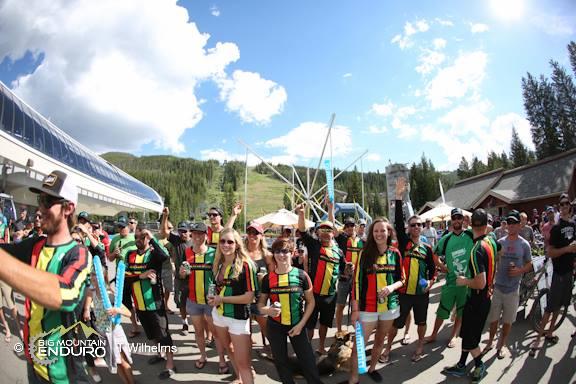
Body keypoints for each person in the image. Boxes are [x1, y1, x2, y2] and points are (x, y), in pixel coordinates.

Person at [0, 170, 93, 383]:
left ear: (68, 208)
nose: (40, 209)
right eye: (39, 200)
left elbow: (65, 295)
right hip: (34, 363)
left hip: (64, 374)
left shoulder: (78, 254)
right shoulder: (35, 245)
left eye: (48, 201)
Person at [382, 177, 436, 364]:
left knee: (421, 322)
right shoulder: (404, 242)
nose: (415, 227)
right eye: (412, 225)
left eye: (418, 225)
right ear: (409, 228)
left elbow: (433, 268)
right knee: (396, 323)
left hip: (421, 293)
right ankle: (388, 348)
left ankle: (419, 345)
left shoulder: (427, 248)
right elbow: (397, 220)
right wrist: (398, 196)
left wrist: (430, 282)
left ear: (422, 227)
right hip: (403, 293)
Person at [443, 208, 497, 383]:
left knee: (470, 338)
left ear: (470, 224)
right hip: (485, 296)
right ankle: (461, 364)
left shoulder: (476, 251)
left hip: (477, 297)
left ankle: (480, 365)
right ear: (487, 224)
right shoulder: (491, 241)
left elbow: (479, 282)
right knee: (468, 332)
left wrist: (464, 281)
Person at [348, 218, 405, 383]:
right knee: (359, 346)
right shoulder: (364, 254)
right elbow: (357, 282)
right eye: (376, 231)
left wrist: (391, 287)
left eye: (383, 231)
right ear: (372, 233)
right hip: (367, 308)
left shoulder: (395, 253)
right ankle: (353, 379)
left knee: (380, 340)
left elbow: (402, 278)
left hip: (390, 306)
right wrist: (355, 309)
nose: (379, 234)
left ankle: (372, 368)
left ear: (388, 233)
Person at [258, 238, 322, 384]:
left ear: (292, 253)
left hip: (297, 324)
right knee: (281, 362)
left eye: (285, 251)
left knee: (308, 361)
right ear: (273, 254)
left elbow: (311, 302)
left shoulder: (302, 275)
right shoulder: (268, 278)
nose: (281, 255)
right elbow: (260, 304)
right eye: (277, 251)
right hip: (275, 326)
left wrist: (301, 325)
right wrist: (268, 310)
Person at [124, 228, 176, 379]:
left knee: (163, 334)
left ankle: (170, 364)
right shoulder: (130, 255)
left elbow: (165, 256)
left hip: (155, 302)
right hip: (139, 303)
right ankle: (159, 354)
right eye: (136, 237)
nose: (138, 239)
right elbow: (127, 277)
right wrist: (141, 275)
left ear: (147, 238)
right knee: (150, 333)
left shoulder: (153, 255)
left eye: (142, 237)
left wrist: (152, 238)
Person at [208, 228, 257, 384]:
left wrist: (221, 299)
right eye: (222, 241)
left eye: (230, 241)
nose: (226, 244)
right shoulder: (218, 263)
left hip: (238, 318)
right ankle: (239, 379)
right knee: (229, 349)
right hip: (219, 315)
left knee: (244, 364)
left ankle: (244, 378)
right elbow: (216, 287)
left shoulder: (246, 265)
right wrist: (213, 298)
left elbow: (249, 297)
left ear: (237, 244)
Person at [178, 222, 227, 373]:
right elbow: (182, 275)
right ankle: (203, 356)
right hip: (193, 300)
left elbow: (221, 275)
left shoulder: (214, 253)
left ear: (206, 235)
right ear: (191, 235)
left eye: (201, 234)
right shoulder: (186, 252)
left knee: (216, 333)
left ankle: (221, 359)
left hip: (210, 302)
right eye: (195, 234)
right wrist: (182, 273)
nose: (197, 237)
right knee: (198, 332)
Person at [296, 203, 345, 355]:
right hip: (313, 295)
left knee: (324, 324)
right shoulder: (314, 245)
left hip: (330, 296)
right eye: (322, 229)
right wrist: (302, 214)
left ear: (333, 233)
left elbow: (343, 271)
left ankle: (321, 346)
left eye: (328, 229)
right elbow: (303, 230)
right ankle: (307, 347)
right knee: (310, 326)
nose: (325, 232)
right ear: (317, 232)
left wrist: (349, 269)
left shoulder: (339, 252)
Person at [530, 193, 576, 355]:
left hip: (570, 272)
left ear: (570, 206)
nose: (564, 207)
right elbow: (550, 252)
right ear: (559, 208)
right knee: (550, 306)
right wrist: (567, 249)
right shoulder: (556, 228)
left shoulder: (573, 225)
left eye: (567, 204)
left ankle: (550, 333)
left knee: (561, 304)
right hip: (559, 273)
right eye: (561, 204)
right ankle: (538, 339)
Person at [483, 210, 532, 359]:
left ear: (519, 225)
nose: (510, 225)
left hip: (512, 289)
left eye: (513, 223)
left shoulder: (524, 245)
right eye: (508, 223)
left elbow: (529, 264)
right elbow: (493, 263)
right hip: (498, 287)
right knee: (493, 319)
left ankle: (502, 344)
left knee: (507, 321)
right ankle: (490, 341)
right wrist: (490, 283)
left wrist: (519, 270)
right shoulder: (500, 243)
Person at [424, 208, 474, 348]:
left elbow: (487, 230)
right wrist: (442, 267)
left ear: (463, 219)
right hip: (451, 282)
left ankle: (453, 336)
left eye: (459, 218)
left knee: (461, 310)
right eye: (455, 218)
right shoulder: (446, 239)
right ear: (451, 220)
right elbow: (434, 255)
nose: (457, 220)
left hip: (466, 282)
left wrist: (469, 223)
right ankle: (434, 334)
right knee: (442, 309)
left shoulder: (470, 234)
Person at [159, 207, 193, 335]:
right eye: (181, 231)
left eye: (185, 231)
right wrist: (165, 216)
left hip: (194, 278)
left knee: (198, 303)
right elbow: (164, 232)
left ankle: (204, 330)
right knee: (181, 302)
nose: (183, 234)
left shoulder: (195, 241)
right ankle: (185, 323)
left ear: (190, 231)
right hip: (180, 278)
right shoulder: (176, 241)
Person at [244, 221, 274, 357]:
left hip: (261, 295)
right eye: (250, 232)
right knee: (246, 326)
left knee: (265, 325)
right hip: (244, 294)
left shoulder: (267, 254)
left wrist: (265, 278)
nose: (252, 236)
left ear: (261, 235)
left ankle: (272, 349)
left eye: (255, 233)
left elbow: (273, 276)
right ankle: (247, 351)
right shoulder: (242, 253)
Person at [108, 216, 140, 338]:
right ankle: (135, 327)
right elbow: (109, 258)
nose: (121, 229)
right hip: (121, 276)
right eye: (119, 227)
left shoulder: (134, 239)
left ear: (129, 226)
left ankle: (141, 321)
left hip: (135, 274)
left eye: (123, 227)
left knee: (138, 300)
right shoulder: (115, 239)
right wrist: (114, 254)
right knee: (125, 302)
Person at [334, 216, 363, 333]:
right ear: (344, 228)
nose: (350, 227)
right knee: (340, 305)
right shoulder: (342, 239)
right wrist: (331, 209)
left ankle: (357, 332)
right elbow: (332, 227)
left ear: (356, 227)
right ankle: (339, 331)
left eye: (352, 225)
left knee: (357, 307)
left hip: (357, 279)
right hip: (344, 278)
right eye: (347, 226)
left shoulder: (362, 241)